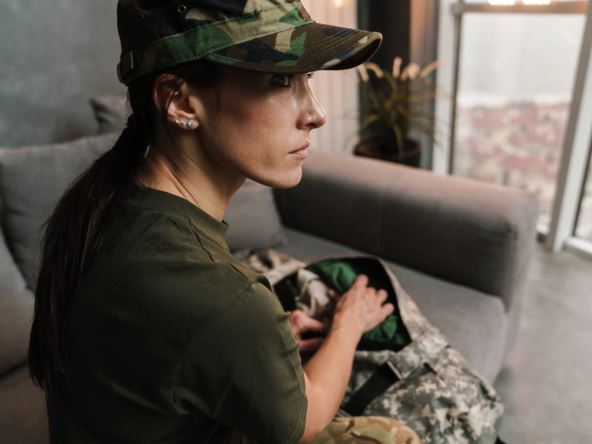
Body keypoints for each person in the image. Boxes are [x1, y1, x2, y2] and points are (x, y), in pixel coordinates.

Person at [27, 0, 423, 442]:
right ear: (181, 102)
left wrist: (243, 352)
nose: (316, 114)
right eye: (279, 80)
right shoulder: (223, 297)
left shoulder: (106, 209)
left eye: (306, 79)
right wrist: (348, 325)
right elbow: (303, 423)